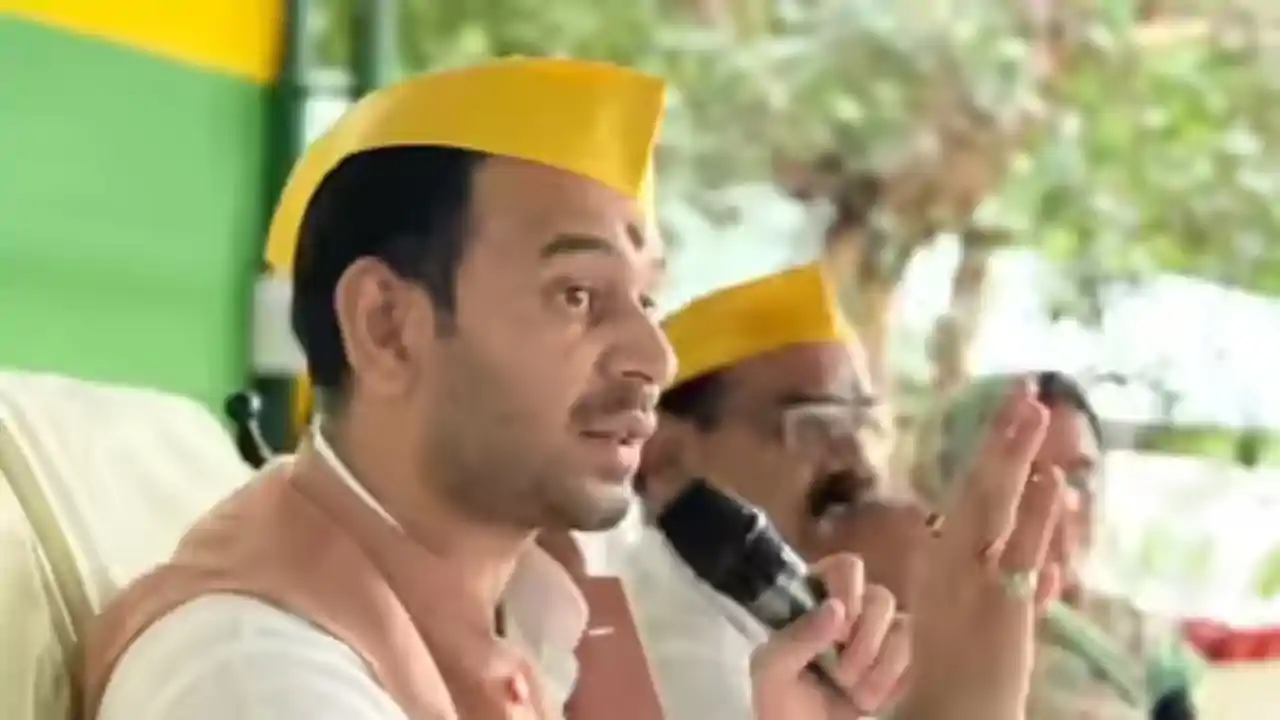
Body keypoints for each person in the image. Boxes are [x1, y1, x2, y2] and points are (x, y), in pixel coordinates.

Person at [79, 58, 1064, 720]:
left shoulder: (548, 614)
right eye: (579, 294)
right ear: (387, 325)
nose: (653, 357)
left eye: (647, 299)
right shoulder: (255, 676)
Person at [623, 262, 1065, 719]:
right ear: (666, 458)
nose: (856, 456)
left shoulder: (798, 621)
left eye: (864, 423)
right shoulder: (664, 640)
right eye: (816, 424)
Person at [916, 371, 1205, 719]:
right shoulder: (910, 647)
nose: (1062, 502)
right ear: (951, 489)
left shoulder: (1138, 637)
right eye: (1027, 476)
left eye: (1080, 478)